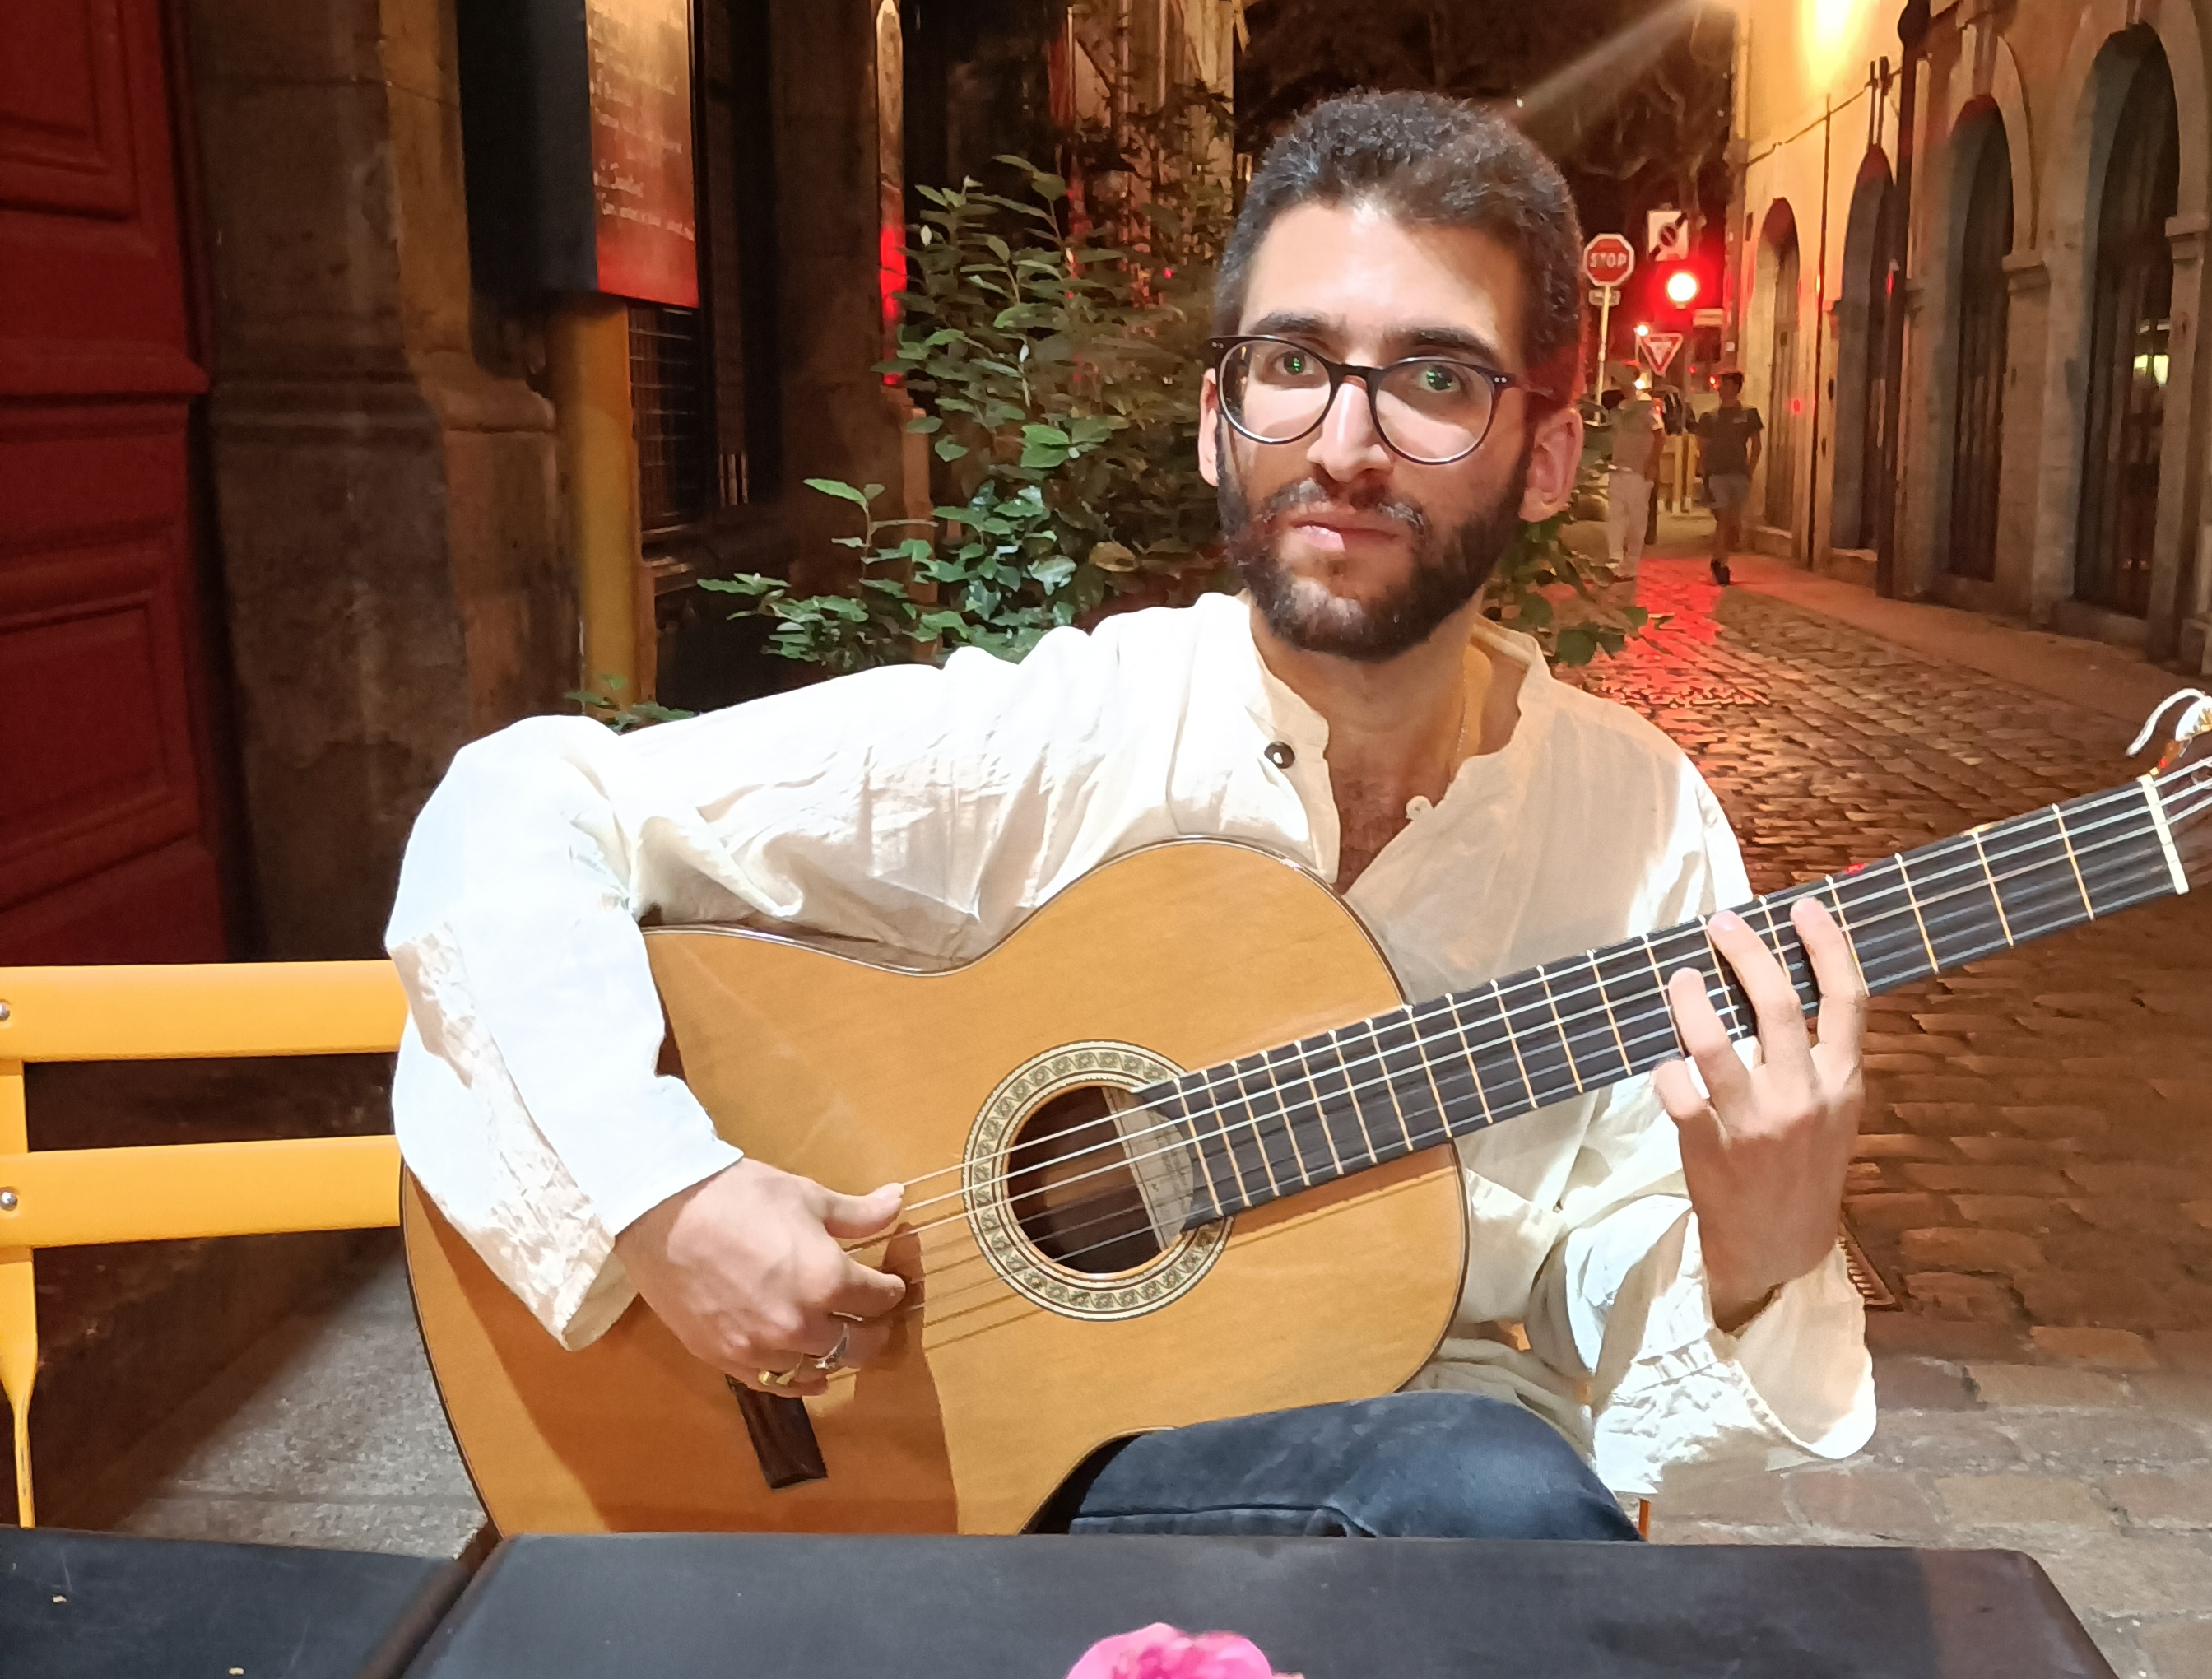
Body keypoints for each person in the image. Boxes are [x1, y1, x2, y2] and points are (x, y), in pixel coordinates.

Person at [387, 91, 1873, 1543]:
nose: (1345, 442)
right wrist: (665, 1200)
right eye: (1293, 362)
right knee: (1490, 1501)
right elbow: (520, 805)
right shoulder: (1066, 735)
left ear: (1545, 455)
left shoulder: (1636, 824)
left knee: (1492, 1490)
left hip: (1411, 1506)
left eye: (1434, 378)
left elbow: (1599, 1286)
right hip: (998, 1497)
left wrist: (1755, 1254)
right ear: (1222, 422)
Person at [1694, 370, 1764, 585]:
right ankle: (1721, 563)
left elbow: (1756, 444)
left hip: (1739, 473)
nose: (1721, 389)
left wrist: (1750, 469)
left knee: (1734, 521)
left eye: (1726, 385)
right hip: (1717, 474)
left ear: (1736, 387)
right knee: (1723, 517)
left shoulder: (1749, 414)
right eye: (1720, 385)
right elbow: (1702, 447)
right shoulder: (1710, 417)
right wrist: (1704, 472)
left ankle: (1720, 558)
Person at [1604, 383, 1659, 578]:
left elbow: (1659, 436)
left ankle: (1632, 562)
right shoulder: (1615, 412)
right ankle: (1615, 562)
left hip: (1637, 473)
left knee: (1637, 520)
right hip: (1617, 470)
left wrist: (1652, 464)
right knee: (1615, 518)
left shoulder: (1645, 410)